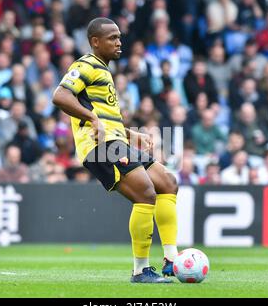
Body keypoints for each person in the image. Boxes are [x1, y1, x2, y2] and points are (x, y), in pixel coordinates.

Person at [52, 18, 178, 283]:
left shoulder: (104, 71)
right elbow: (60, 96)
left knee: (168, 182)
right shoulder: (85, 64)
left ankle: (171, 259)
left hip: (116, 140)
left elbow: (107, 118)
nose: (119, 42)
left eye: (119, 37)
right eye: (112, 38)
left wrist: (132, 134)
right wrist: (93, 119)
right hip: (100, 147)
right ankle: (140, 270)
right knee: (146, 193)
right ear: (95, 42)